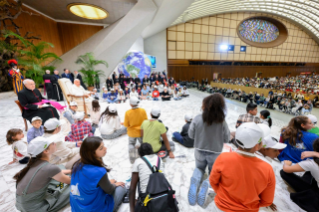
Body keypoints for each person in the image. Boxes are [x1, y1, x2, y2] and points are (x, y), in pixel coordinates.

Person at [210, 122, 276, 212]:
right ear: (257, 146)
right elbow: (267, 201)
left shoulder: (223, 157)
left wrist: (223, 195)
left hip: (221, 206)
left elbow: (213, 181)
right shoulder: (267, 169)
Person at [188, 93, 230, 207]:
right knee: (213, 173)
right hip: (215, 152)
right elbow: (227, 138)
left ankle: (195, 182)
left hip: (199, 150)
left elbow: (191, 135)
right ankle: (207, 184)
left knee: (199, 168)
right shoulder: (222, 121)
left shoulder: (197, 118)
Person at [70, 136, 127, 212]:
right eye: (101, 148)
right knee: (122, 187)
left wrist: (108, 183)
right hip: (95, 209)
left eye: (103, 146)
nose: (105, 148)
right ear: (92, 153)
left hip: (77, 208)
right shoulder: (99, 171)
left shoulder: (77, 164)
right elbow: (109, 190)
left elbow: (89, 183)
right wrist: (113, 184)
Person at [14, 136, 71, 212]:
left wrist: (70, 171)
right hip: (35, 208)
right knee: (75, 186)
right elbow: (70, 181)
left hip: (22, 204)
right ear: (46, 151)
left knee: (60, 167)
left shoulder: (33, 163)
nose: (55, 144)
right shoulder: (50, 168)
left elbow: (55, 171)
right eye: (53, 143)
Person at [280, 138, 319, 212]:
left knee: (283, 172)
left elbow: (286, 169)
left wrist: (286, 164)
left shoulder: (312, 163)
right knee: (310, 173)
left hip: (316, 197)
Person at [129, 143, 165, 211]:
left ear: (140, 154)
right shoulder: (159, 159)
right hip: (163, 194)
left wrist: (132, 209)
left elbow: (132, 189)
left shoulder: (138, 161)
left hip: (147, 199)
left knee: (139, 179)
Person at [124, 97, 148, 164]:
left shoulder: (127, 112)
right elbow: (146, 121)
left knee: (131, 144)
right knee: (142, 143)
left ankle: (133, 159)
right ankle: (145, 156)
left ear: (130, 104)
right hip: (141, 132)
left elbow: (126, 124)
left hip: (132, 133)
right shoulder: (143, 110)